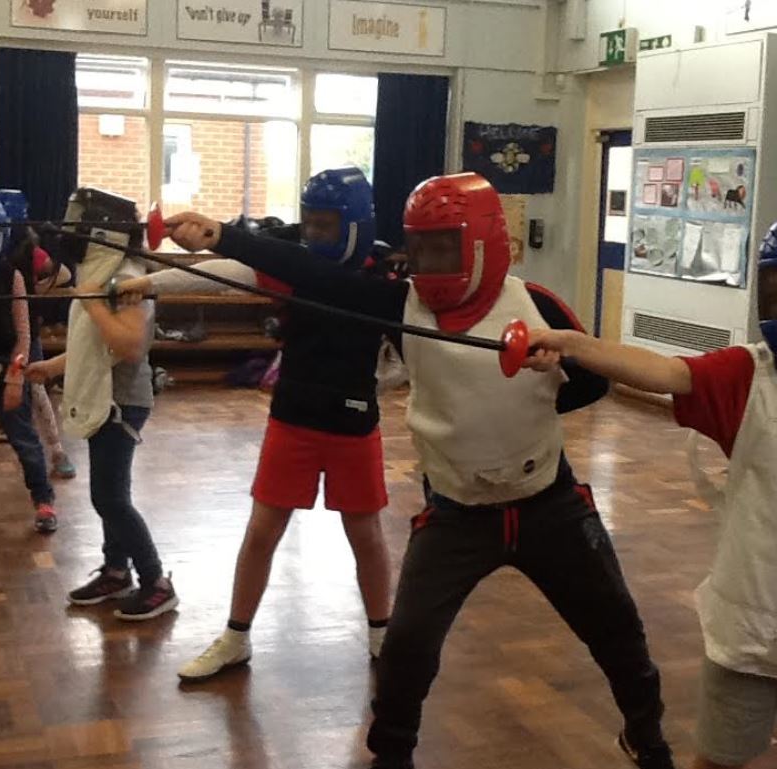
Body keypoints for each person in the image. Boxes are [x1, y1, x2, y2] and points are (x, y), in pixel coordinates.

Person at [162, 171, 675, 769]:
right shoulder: (400, 302)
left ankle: (649, 738)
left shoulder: (535, 306)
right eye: (420, 247)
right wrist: (222, 234)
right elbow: (312, 273)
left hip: (548, 506)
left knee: (618, 630)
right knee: (406, 647)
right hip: (457, 515)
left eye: (443, 248)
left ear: (481, 244)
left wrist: (546, 379)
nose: (429, 264)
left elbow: (594, 383)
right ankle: (391, 757)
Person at [120, 168, 392, 678]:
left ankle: (383, 635)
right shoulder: (294, 266)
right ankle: (236, 637)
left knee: (366, 535)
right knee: (262, 531)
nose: (314, 234)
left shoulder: (381, 279)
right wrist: (146, 282)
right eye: (309, 223)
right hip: (293, 417)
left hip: (353, 424)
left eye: (326, 225)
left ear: (355, 225)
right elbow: (228, 271)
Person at [525, 221, 777, 769]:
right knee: (720, 758)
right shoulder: (749, 376)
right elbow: (665, 372)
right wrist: (575, 344)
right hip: (758, 623)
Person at [26, 187, 178, 620]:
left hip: (123, 401)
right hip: (101, 393)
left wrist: (92, 303)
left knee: (109, 498)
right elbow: (94, 347)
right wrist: (51, 367)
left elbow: (129, 344)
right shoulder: (101, 269)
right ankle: (116, 571)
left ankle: (156, 582)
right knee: (109, 493)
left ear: (103, 230)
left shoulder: (129, 275)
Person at [0, 189, 76, 480]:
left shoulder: (29, 249)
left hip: (23, 332)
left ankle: (56, 451)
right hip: (0, 332)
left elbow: (63, 275)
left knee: (36, 388)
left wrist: (34, 292)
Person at [0, 196, 58, 532]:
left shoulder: (11, 276)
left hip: (5, 369)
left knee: (25, 440)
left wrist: (15, 379)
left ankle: (44, 500)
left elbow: (23, 335)